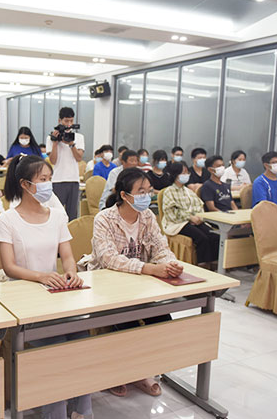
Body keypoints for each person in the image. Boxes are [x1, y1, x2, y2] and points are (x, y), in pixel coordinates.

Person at [0, 155, 92, 419]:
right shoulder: (7, 219)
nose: (48, 185)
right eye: (43, 179)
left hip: (55, 293)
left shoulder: (57, 216)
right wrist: (41, 276)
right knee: (53, 347)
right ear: (25, 184)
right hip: (23, 296)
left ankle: (82, 410)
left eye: (50, 178)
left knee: (82, 339)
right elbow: (9, 267)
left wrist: (71, 272)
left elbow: (67, 256)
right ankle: (55, 412)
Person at [88, 167, 182, 398]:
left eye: (149, 191)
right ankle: (121, 373)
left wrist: (170, 263)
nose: (146, 196)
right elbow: (108, 258)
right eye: (141, 191)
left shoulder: (147, 216)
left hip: (139, 284)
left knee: (162, 320)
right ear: (124, 195)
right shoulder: (105, 219)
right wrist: (149, 268)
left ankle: (142, 369)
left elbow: (160, 247)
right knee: (126, 323)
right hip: (107, 285)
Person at [162, 162, 219, 265]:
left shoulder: (189, 191)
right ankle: (203, 264)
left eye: (187, 172)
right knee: (202, 238)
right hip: (178, 223)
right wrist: (189, 217)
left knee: (214, 235)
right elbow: (171, 213)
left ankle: (214, 262)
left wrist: (198, 217)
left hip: (195, 220)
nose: (186, 175)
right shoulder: (169, 191)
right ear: (176, 174)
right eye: (183, 173)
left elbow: (199, 206)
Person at [46, 107, 85, 221]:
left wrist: (71, 144)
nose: (69, 124)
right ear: (60, 120)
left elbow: (79, 158)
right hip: (58, 180)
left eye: (71, 121)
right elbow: (53, 161)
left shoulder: (79, 137)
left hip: (74, 180)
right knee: (55, 213)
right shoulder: (51, 138)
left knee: (72, 214)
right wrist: (55, 142)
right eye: (66, 121)